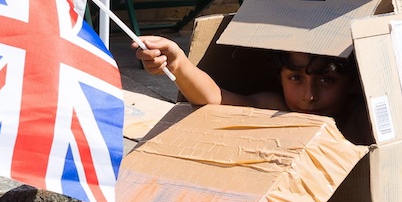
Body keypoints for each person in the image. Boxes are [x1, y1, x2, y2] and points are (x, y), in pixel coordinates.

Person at [132, 36, 370, 143]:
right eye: (296, 78)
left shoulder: (361, 120)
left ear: (353, 82)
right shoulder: (278, 109)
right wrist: (179, 64)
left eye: (326, 80)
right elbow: (215, 99)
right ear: (280, 78)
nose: (309, 96)